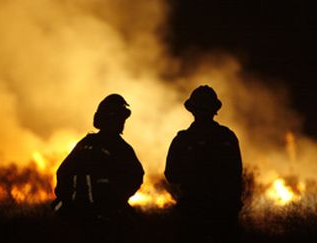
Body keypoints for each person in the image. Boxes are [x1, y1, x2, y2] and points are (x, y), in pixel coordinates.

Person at [53, 94, 144, 242]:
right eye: (120, 118)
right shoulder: (120, 147)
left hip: (76, 218)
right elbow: (136, 177)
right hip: (105, 221)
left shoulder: (84, 143)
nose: (122, 122)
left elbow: (62, 173)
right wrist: (117, 201)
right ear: (113, 120)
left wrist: (67, 202)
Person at [164, 85, 243, 243]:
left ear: (192, 111)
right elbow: (237, 173)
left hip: (198, 213)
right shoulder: (227, 137)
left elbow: (171, 175)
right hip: (218, 214)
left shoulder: (183, 139)